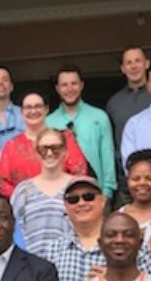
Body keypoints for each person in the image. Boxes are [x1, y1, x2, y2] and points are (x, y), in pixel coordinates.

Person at [0, 91, 89, 198]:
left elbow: (79, 172)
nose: (33, 111)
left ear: (46, 109)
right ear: (21, 112)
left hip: (62, 203)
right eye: (28, 107)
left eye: (38, 106)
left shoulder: (64, 139)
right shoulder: (11, 146)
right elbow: (2, 182)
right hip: (25, 207)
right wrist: (23, 199)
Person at [46, 65, 117, 199]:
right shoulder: (48, 122)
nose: (69, 89)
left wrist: (107, 192)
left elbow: (107, 155)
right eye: (64, 85)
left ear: (81, 85)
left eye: (74, 84)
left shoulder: (99, 117)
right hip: (60, 195)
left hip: (96, 192)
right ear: (57, 89)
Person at [9, 127, 73, 258]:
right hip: (31, 268)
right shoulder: (23, 191)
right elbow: (14, 232)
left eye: (55, 148)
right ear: (36, 153)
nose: (49, 154)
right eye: (43, 149)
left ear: (65, 151)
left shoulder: (77, 187)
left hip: (69, 265)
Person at [105, 45, 151, 158]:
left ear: (147, 64)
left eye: (137, 61)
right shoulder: (114, 103)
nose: (134, 66)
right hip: (125, 170)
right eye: (129, 63)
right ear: (123, 68)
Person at [118, 150, 151, 240]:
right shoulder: (119, 217)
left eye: (149, 178)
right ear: (127, 182)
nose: (142, 183)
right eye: (136, 179)